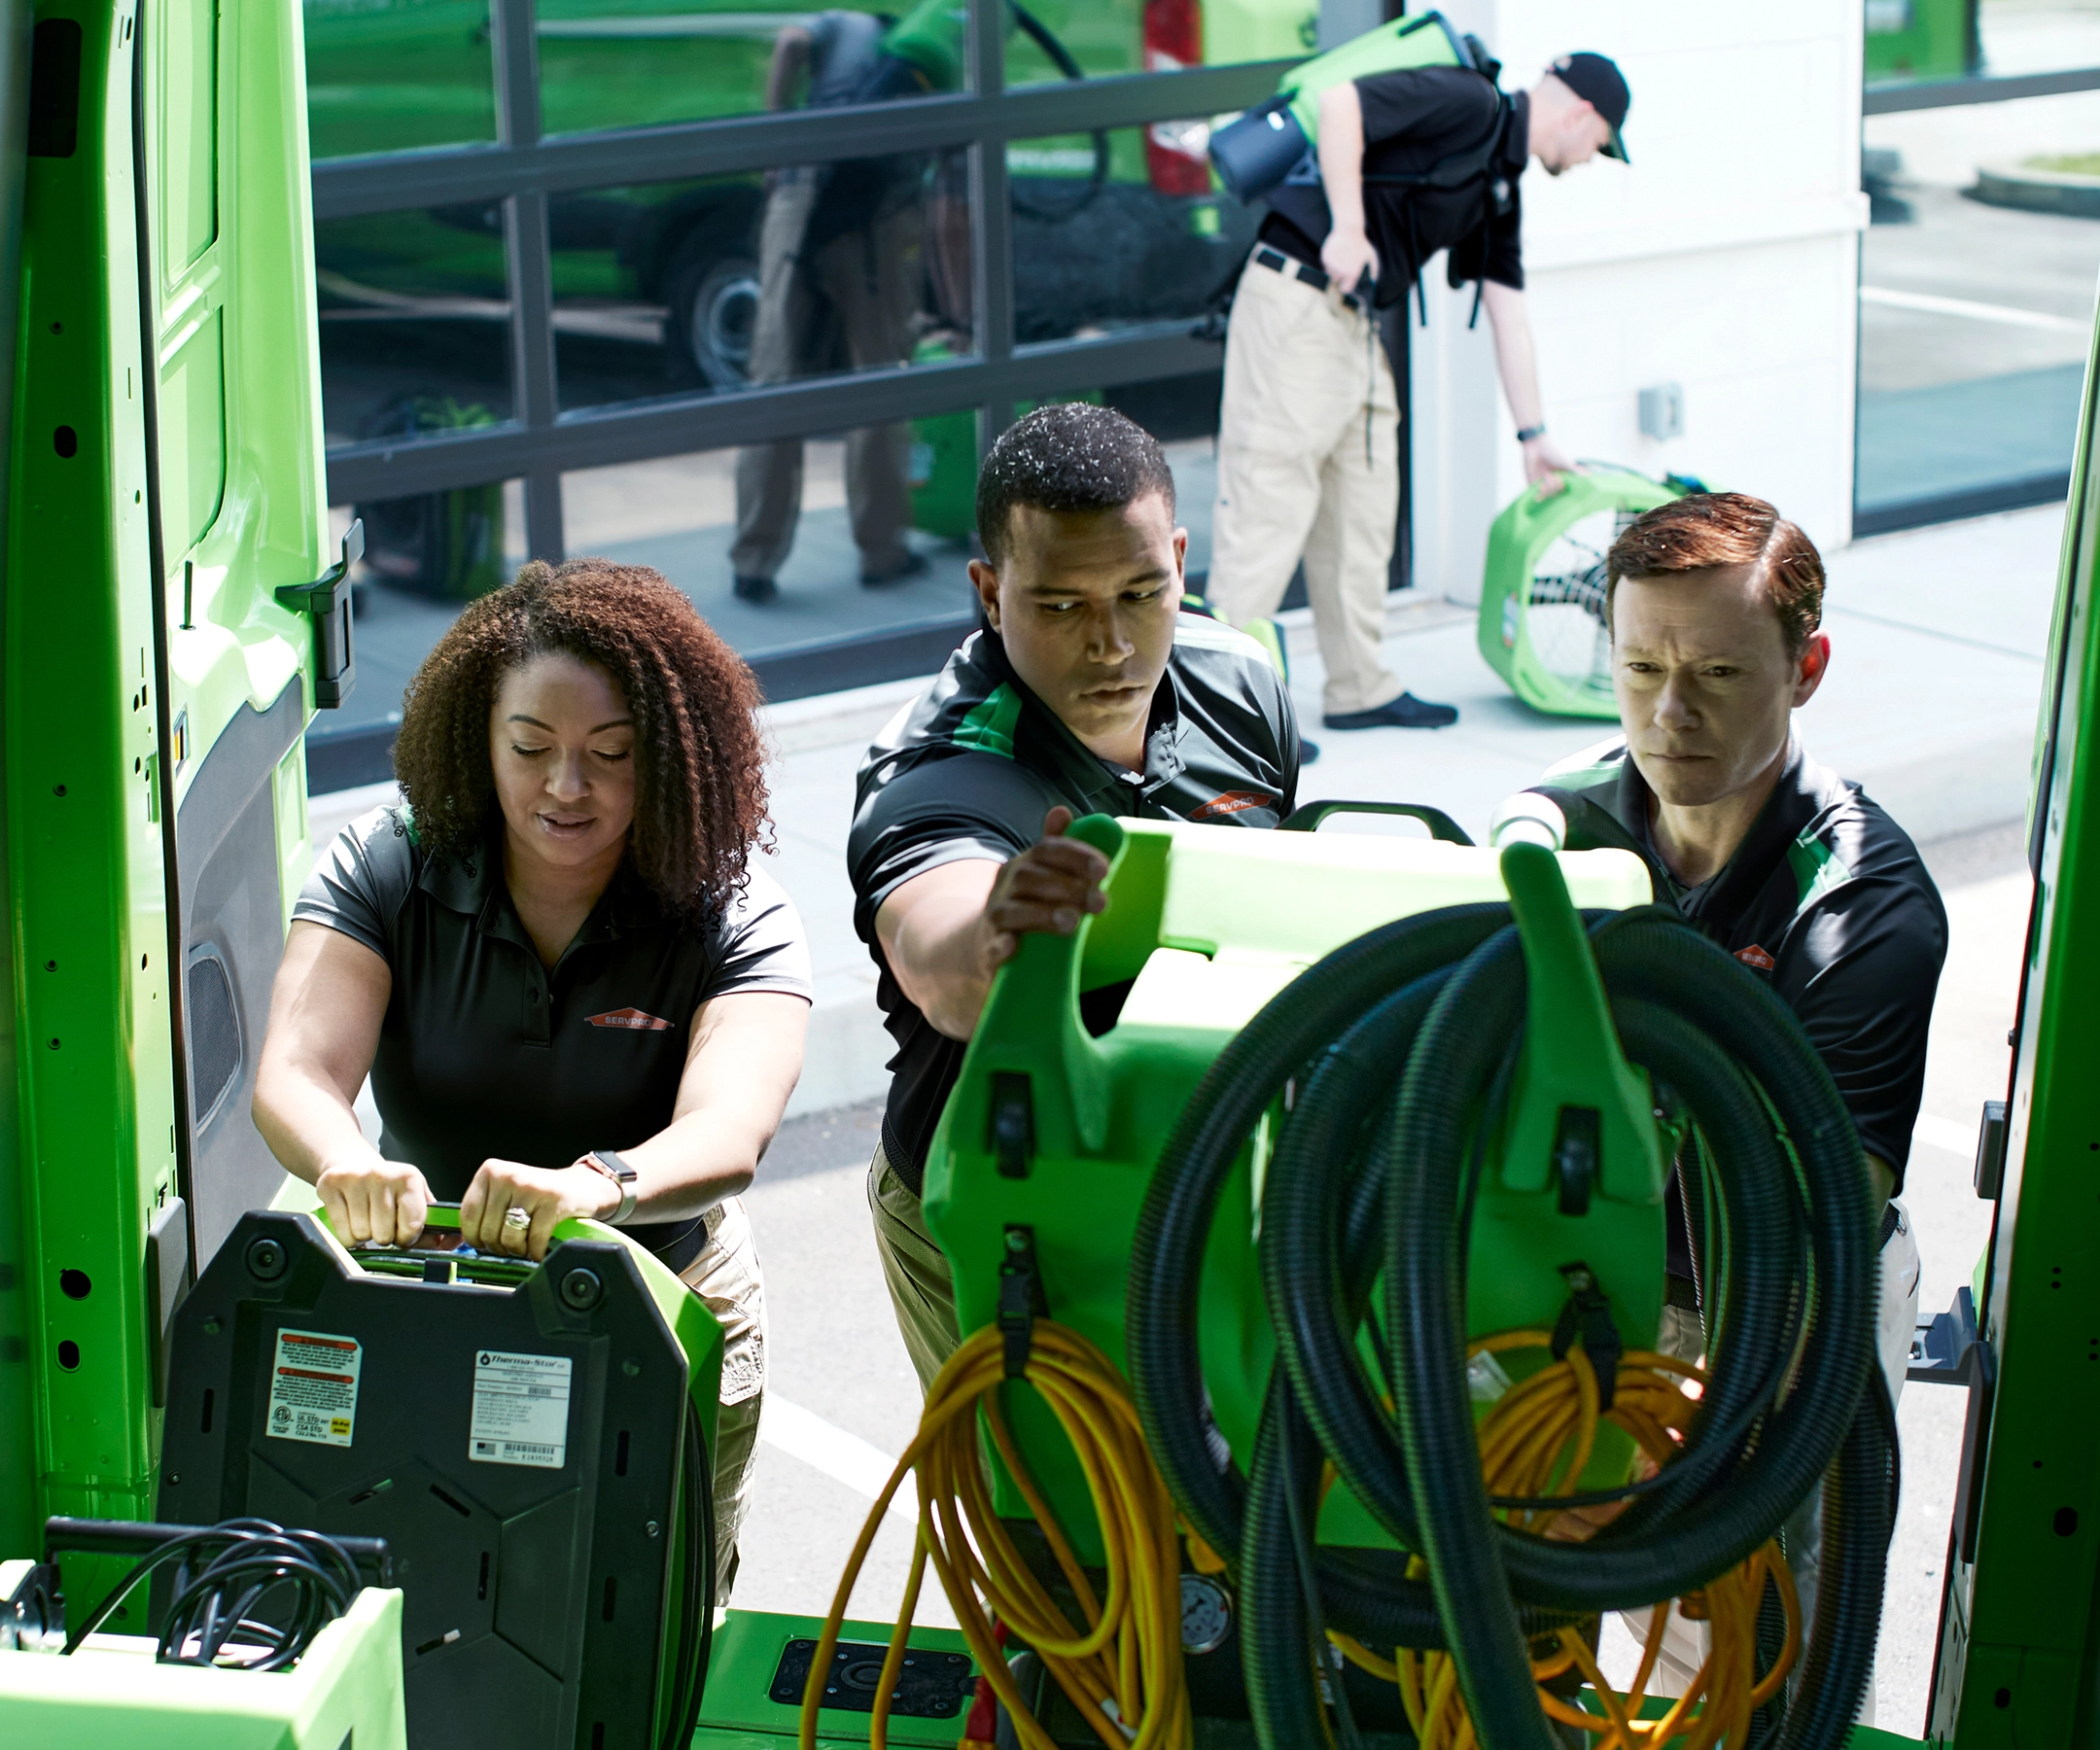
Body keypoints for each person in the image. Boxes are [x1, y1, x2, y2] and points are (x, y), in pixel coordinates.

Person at [253, 558, 812, 1601]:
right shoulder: (386, 865)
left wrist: (597, 1186)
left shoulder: (733, 908)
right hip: (432, 1289)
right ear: (479, 736)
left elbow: (732, 1128)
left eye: (610, 753)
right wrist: (344, 1161)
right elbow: (294, 1070)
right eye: (530, 749)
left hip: (665, 1299)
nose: (566, 786)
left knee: (643, 1618)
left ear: (674, 758)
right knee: (431, 1598)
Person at [1522, 491, 1942, 1711]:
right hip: (1584, 1285)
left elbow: (1812, 1229)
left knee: (1750, 1676)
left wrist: (1676, 1447)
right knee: (1506, 1648)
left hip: (1772, 1315)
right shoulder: (1556, 828)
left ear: (1806, 668)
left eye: (1714, 671)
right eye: (1640, 666)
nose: (1668, 712)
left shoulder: (1862, 903)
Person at [847, 402, 1302, 1389]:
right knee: (1048, 1531)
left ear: (1181, 558)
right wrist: (999, 931)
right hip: (996, 1205)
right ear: (989, 592)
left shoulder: (1247, 683)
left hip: (1206, 1175)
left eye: (1142, 591)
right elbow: (941, 956)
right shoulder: (941, 765)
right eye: (1059, 606)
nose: (1110, 644)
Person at [1208, 46, 1631, 734]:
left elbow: (1508, 313)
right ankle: (1219, 718)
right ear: (1582, 113)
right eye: (1600, 146)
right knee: (1268, 510)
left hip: (1350, 323)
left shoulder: (1500, 185)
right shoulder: (1469, 100)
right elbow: (1342, 101)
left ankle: (1359, 687)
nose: (1589, 159)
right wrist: (1348, 226)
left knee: (1364, 508)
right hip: (1296, 300)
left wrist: (1534, 438)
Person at [728, 2, 963, 603]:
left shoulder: (844, 25)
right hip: (879, 224)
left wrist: (777, 141)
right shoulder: (943, 62)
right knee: (880, 384)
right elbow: (952, 208)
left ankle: (754, 560)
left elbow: (787, 44)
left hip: (803, 197)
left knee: (774, 383)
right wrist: (962, 314)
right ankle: (881, 552)